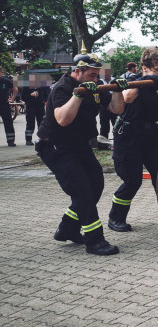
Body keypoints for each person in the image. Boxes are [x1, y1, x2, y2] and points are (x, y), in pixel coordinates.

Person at [36, 47, 127, 255]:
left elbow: (116, 109)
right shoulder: (63, 87)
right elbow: (62, 119)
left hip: (80, 146)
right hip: (56, 147)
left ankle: (67, 228)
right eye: (91, 75)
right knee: (82, 191)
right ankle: (94, 241)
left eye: (97, 75)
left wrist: (117, 90)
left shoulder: (95, 86)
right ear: (77, 72)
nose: (95, 79)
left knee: (96, 184)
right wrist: (78, 95)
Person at [108, 47, 158, 232]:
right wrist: (147, 80)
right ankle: (116, 217)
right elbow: (127, 97)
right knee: (132, 180)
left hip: (151, 133)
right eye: (155, 70)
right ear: (144, 68)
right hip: (129, 134)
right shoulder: (132, 80)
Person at [20, 74, 51, 145]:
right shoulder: (26, 87)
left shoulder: (42, 87)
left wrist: (43, 100)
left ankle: (42, 138)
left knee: (41, 122)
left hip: (40, 106)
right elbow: (23, 97)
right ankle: (28, 139)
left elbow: (47, 95)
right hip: (30, 106)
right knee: (30, 123)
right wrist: (30, 95)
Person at [0, 70, 18, 146]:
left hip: (4, 105)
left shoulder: (6, 81)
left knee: (8, 123)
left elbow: (15, 89)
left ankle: (10, 141)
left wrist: (12, 99)